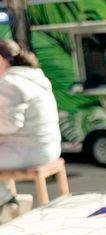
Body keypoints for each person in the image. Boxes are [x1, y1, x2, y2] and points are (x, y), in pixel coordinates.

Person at [0, 38, 61, 222]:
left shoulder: (10, 82)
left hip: (30, 151)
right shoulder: (35, 76)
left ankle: (8, 204)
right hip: (49, 147)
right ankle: (9, 201)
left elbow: (10, 124)